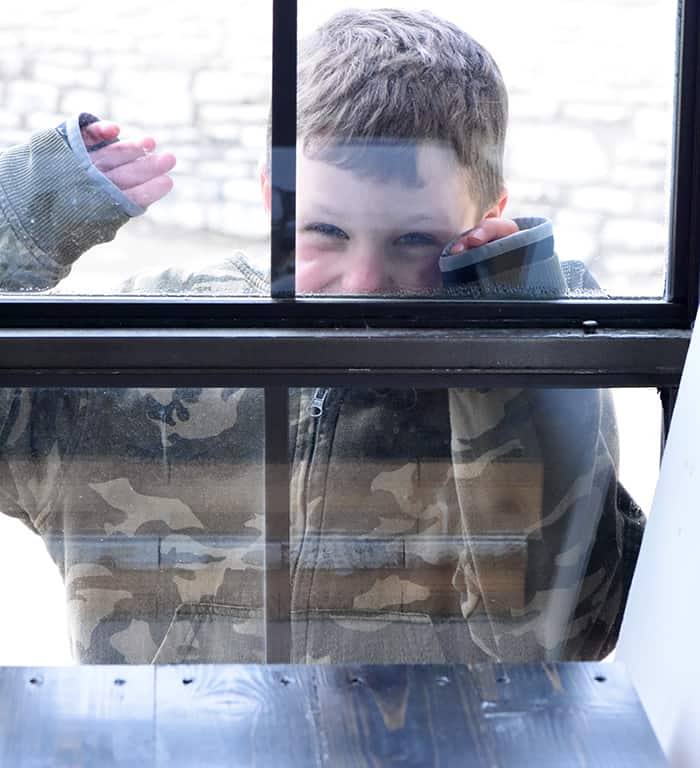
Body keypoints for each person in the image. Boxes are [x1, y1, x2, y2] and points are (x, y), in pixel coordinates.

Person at [0, 9, 644, 664]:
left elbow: (562, 635)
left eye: (415, 240)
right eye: (324, 231)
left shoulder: (546, 357)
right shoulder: (155, 338)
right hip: (166, 758)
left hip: (445, 765)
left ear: (488, 217)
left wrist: (511, 337)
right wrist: (23, 211)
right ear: (273, 198)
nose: (363, 283)